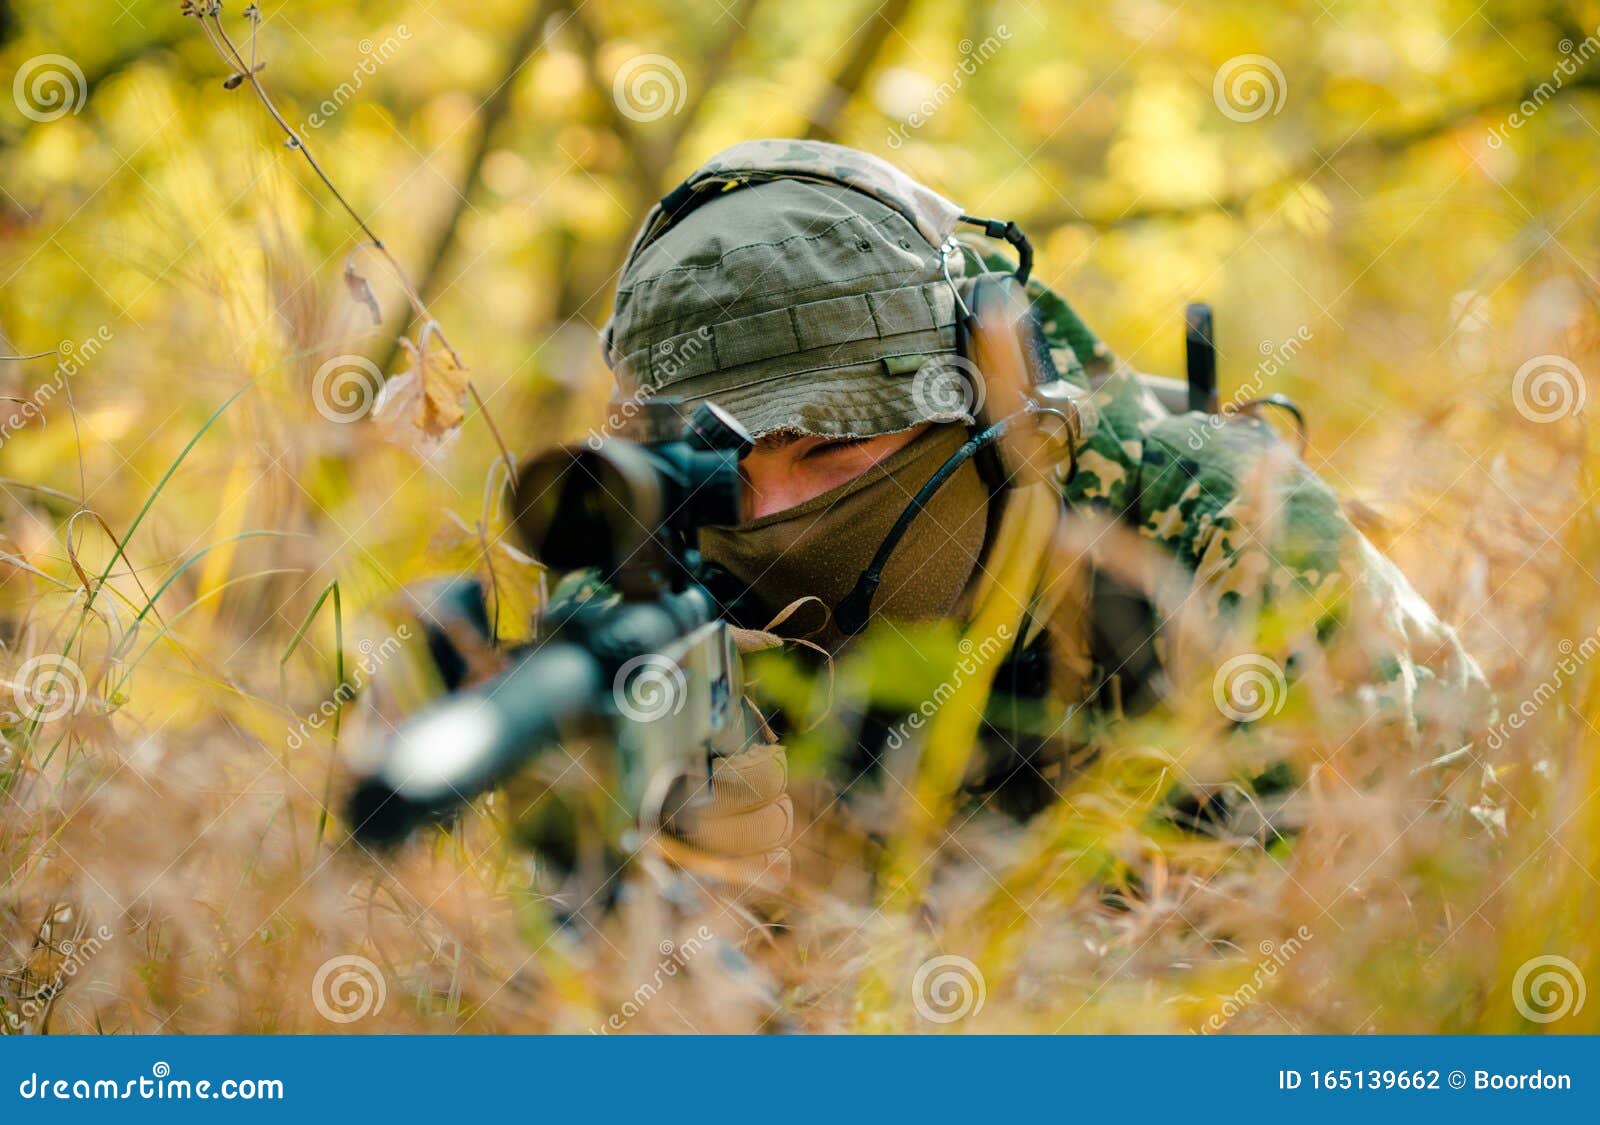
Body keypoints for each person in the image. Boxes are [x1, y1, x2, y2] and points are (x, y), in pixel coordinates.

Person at [564, 138, 1492, 897]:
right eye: (721, 473)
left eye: (828, 448)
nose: (774, 518)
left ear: (985, 386)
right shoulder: (652, 593)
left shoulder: (1221, 529)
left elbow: (1437, 887)